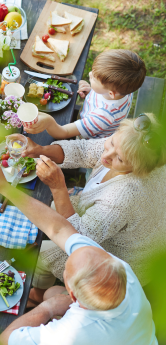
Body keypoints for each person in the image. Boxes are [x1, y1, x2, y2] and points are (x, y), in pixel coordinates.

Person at [0, 157, 158, 345]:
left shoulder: (70, 333)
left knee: (51, 299)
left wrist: (47, 309)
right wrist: (4, 187)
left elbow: (4, 340)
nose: (80, 247)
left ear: (73, 293)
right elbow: (60, 229)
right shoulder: (123, 272)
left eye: (66, 270)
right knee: (52, 292)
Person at [20, 114, 166, 302]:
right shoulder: (130, 144)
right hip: (106, 224)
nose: (106, 156)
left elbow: (78, 238)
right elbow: (83, 150)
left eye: (119, 159)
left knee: (42, 255)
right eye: (111, 143)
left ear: (138, 168)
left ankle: (37, 294)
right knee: (46, 209)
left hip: (119, 262)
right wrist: (41, 150)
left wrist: (58, 187)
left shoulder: (123, 197)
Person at [24, 49, 146, 139]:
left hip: (88, 138)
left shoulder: (102, 117)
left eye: (94, 78)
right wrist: (91, 91)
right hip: (90, 117)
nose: (89, 75)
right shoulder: (124, 89)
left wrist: (49, 122)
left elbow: (64, 133)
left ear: (111, 93)